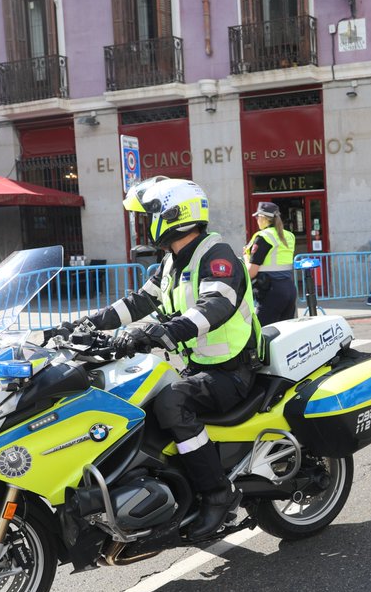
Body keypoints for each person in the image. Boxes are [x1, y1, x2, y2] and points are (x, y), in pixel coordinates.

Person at [60, 177, 261, 541]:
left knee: (172, 402)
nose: (143, 224)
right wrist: (80, 324)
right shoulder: (171, 262)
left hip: (232, 372)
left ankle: (218, 494)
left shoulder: (217, 255)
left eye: (147, 216)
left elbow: (216, 304)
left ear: (171, 215)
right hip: (195, 367)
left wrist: (162, 332)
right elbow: (137, 303)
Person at [243, 201, 297, 325]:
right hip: (289, 290)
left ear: (263, 218)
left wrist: (246, 256)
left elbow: (251, 272)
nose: (256, 219)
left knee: (261, 333)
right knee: (285, 334)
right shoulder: (289, 236)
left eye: (257, 217)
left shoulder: (263, 237)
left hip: (271, 293)